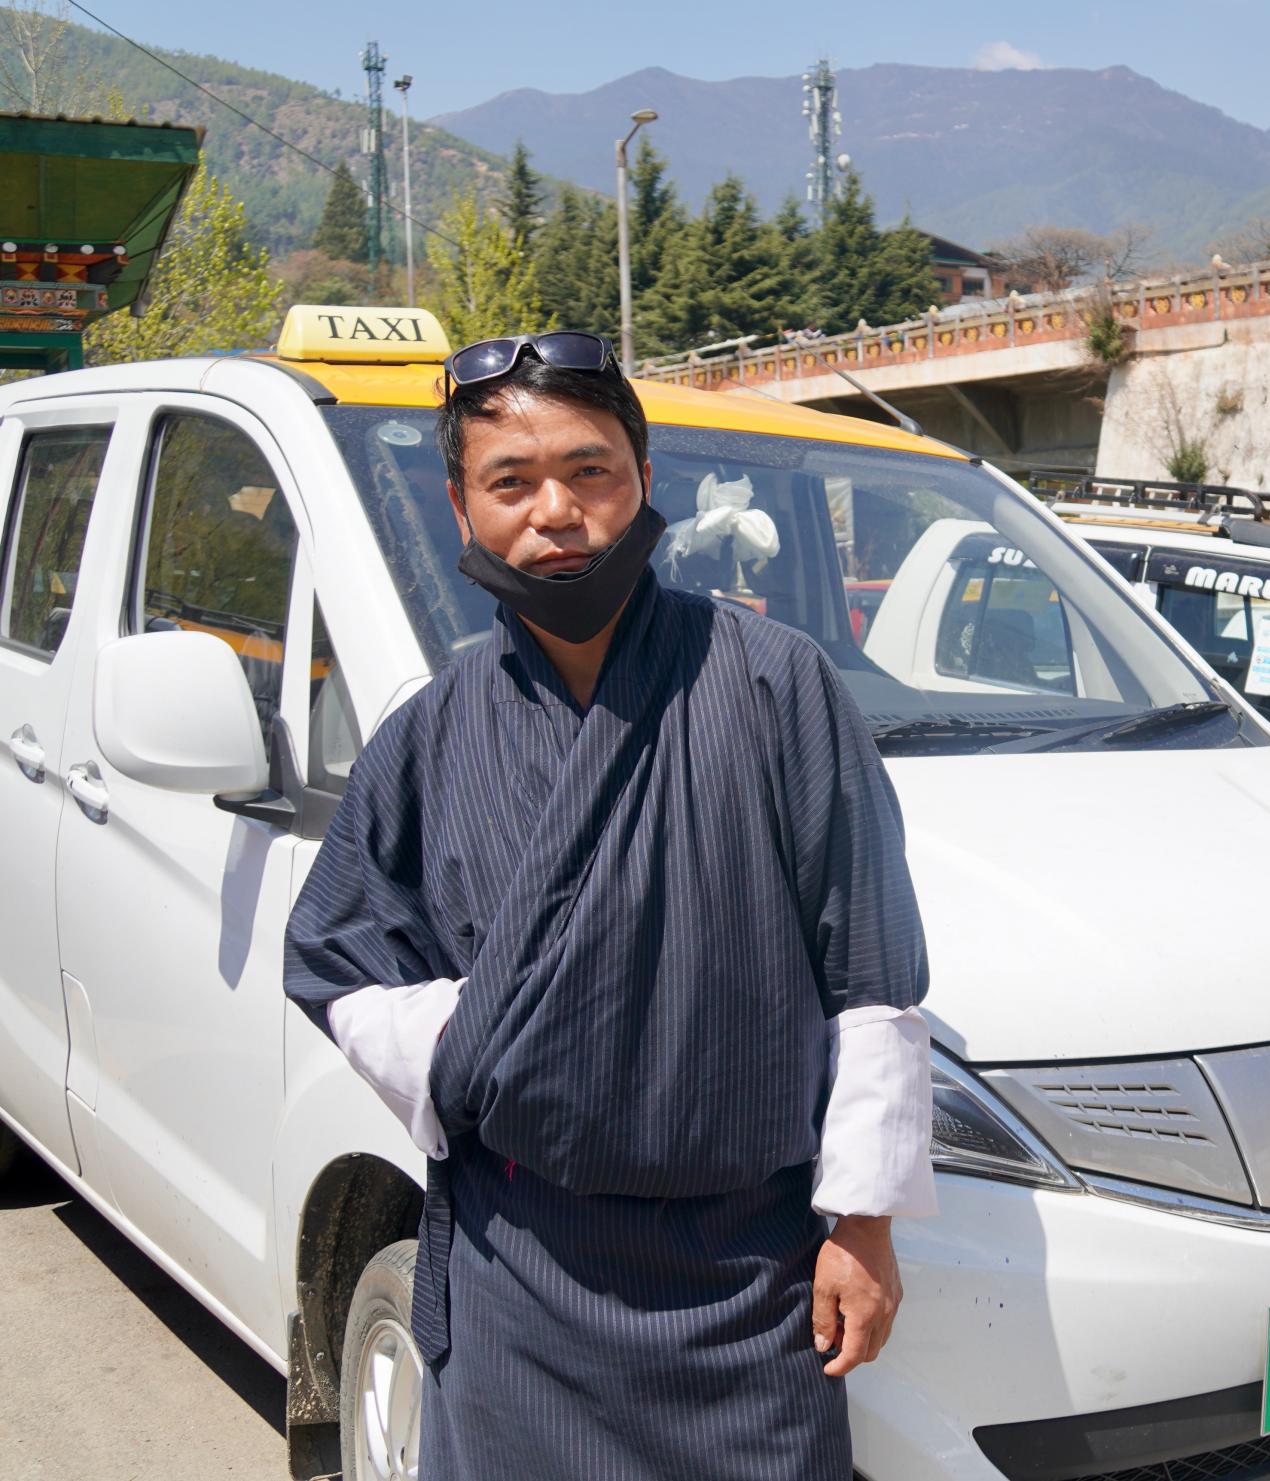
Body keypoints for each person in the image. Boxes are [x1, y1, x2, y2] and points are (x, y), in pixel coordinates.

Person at [283, 331, 933, 1478]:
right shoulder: (432, 734)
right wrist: (479, 1046)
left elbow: (869, 968)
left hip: (749, 1277)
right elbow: (335, 956)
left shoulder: (775, 684)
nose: (557, 511)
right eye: (511, 482)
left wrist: (864, 1221)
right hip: (521, 1271)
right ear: (459, 504)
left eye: (590, 471)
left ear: (642, 477)